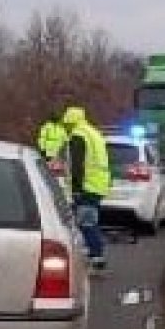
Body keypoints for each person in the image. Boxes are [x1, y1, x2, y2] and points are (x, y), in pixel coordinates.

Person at [61, 105, 111, 272]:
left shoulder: (78, 135)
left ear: (70, 122)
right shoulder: (94, 132)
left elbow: (77, 165)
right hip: (99, 184)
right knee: (90, 221)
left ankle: (96, 257)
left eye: (67, 125)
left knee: (86, 222)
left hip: (87, 185)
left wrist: (75, 189)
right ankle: (93, 254)